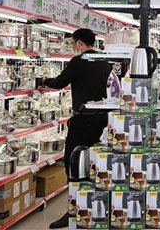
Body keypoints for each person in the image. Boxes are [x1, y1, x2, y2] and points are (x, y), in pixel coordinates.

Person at [40, 28, 111, 229]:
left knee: (73, 163)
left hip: (83, 120)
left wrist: (44, 81)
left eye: (72, 43)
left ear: (79, 43)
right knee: (96, 163)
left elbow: (60, 83)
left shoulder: (79, 61)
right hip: (102, 119)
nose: (73, 47)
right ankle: (96, 206)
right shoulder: (105, 61)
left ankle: (74, 210)